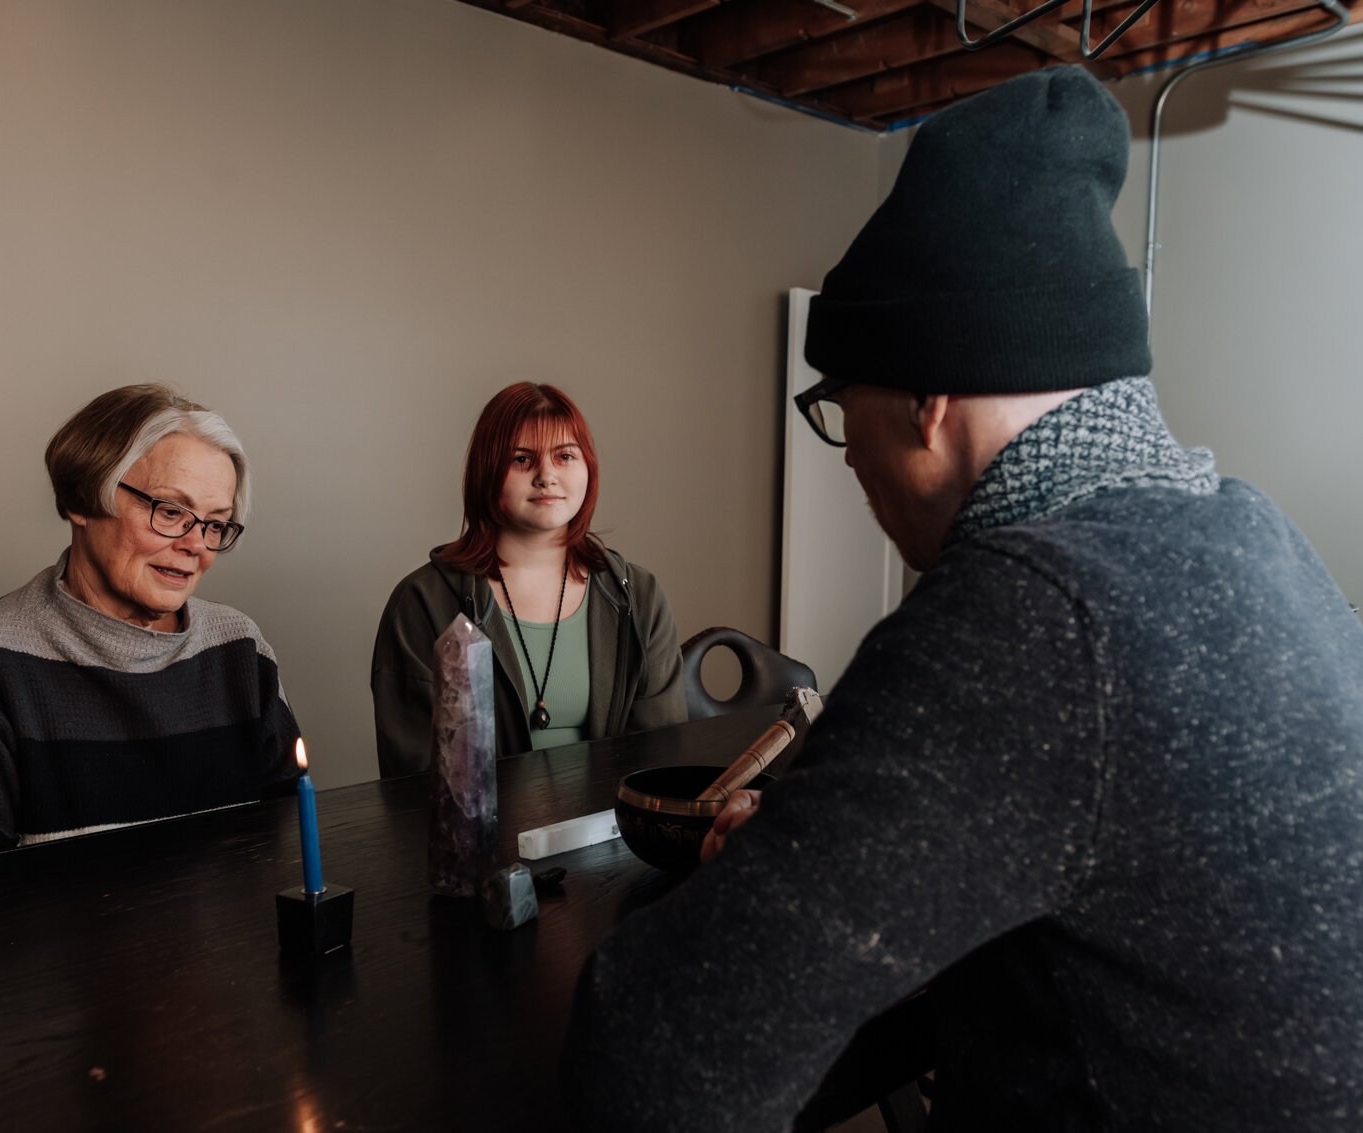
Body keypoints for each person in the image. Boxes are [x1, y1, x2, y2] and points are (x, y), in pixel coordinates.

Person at [562, 67, 1363, 1130]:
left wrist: (752, 896)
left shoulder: (1026, 612)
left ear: (926, 398)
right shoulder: (1257, 533)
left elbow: (656, 1053)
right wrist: (831, 867)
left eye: (839, 403)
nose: (846, 453)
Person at [0, 384, 300, 865]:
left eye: (215, 524)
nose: (197, 545)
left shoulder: (239, 647)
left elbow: (288, 845)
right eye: (171, 511)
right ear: (82, 499)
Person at [371, 382, 685, 777]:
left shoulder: (638, 595)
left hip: (615, 832)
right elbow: (416, 775)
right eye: (522, 459)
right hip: (482, 838)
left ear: (588, 467)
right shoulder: (423, 603)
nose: (546, 476)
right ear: (487, 470)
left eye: (565, 456)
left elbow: (659, 753)